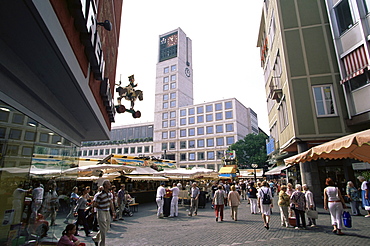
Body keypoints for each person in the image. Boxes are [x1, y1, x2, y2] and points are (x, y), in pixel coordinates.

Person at [92, 180, 115, 246]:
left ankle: (96, 238)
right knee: (103, 227)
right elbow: (95, 203)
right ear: (105, 186)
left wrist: (113, 212)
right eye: (109, 184)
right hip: (101, 211)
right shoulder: (99, 195)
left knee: (107, 227)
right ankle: (102, 244)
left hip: (107, 211)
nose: (110, 185)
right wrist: (93, 208)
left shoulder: (110, 194)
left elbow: (111, 203)